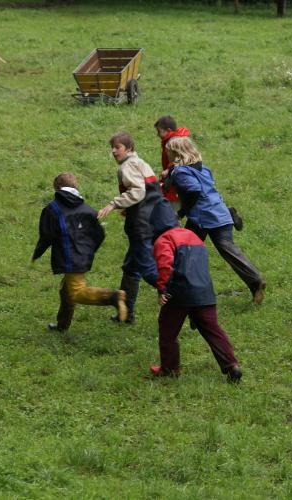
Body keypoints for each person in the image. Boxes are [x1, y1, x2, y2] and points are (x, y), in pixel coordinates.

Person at [149, 200, 242, 382]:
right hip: (204, 292)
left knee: (167, 329)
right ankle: (232, 365)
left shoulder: (164, 239)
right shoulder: (194, 237)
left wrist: (162, 289)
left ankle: (169, 368)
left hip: (179, 294)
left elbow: (165, 266)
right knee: (213, 330)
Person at [166, 136, 266, 304]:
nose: (166, 152)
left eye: (168, 150)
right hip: (219, 212)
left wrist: (182, 212)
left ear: (176, 152)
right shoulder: (203, 169)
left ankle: (185, 293)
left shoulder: (181, 172)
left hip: (203, 217)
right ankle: (255, 281)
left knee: (185, 252)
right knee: (228, 249)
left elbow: (194, 190)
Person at [31, 172, 127, 331]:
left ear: (57, 188)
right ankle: (62, 325)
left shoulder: (52, 209)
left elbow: (46, 235)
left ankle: (114, 297)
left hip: (69, 258)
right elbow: (99, 234)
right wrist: (88, 251)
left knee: (77, 292)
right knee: (65, 290)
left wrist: (37, 253)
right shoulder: (88, 209)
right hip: (83, 256)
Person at [97, 132, 163, 324]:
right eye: (113, 147)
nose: (113, 151)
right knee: (131, 269)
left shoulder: (128, 166)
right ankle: (126, 314)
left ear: (129, 148)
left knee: (148, 268)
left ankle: (179, 296)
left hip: (140, 226)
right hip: (150, 220)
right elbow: (151, 190)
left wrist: (114, 203)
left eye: (117, 147)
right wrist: (130, 206)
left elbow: (138, 191)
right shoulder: (141, 163)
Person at [154, 115, 190, 211]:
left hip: (176, 184)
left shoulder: (174, 142)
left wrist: (169, 170)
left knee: (172, 212)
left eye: (159, 132)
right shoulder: (173, 140)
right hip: (173, 179)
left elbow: (184, 160)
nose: (158, 135)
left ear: (169, 130)